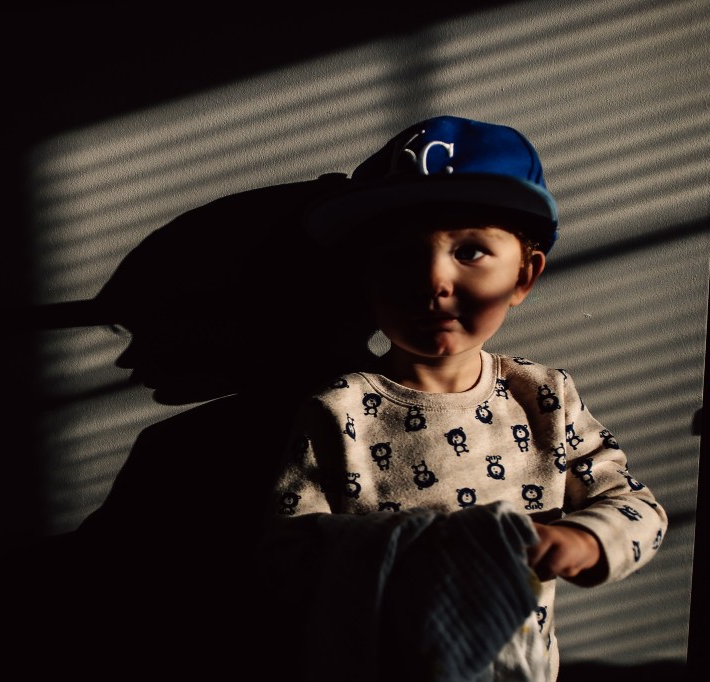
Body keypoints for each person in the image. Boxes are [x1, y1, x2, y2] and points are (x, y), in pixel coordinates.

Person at [263, 116, 667, 681]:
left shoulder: (545, 398)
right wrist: (418, 554)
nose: (435, 281)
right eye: (402, 257)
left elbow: (635, 505)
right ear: (365, 279)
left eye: (471, 251)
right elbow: (286, 554)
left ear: (523, 277)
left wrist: (585, 539)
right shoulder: (338, 410)